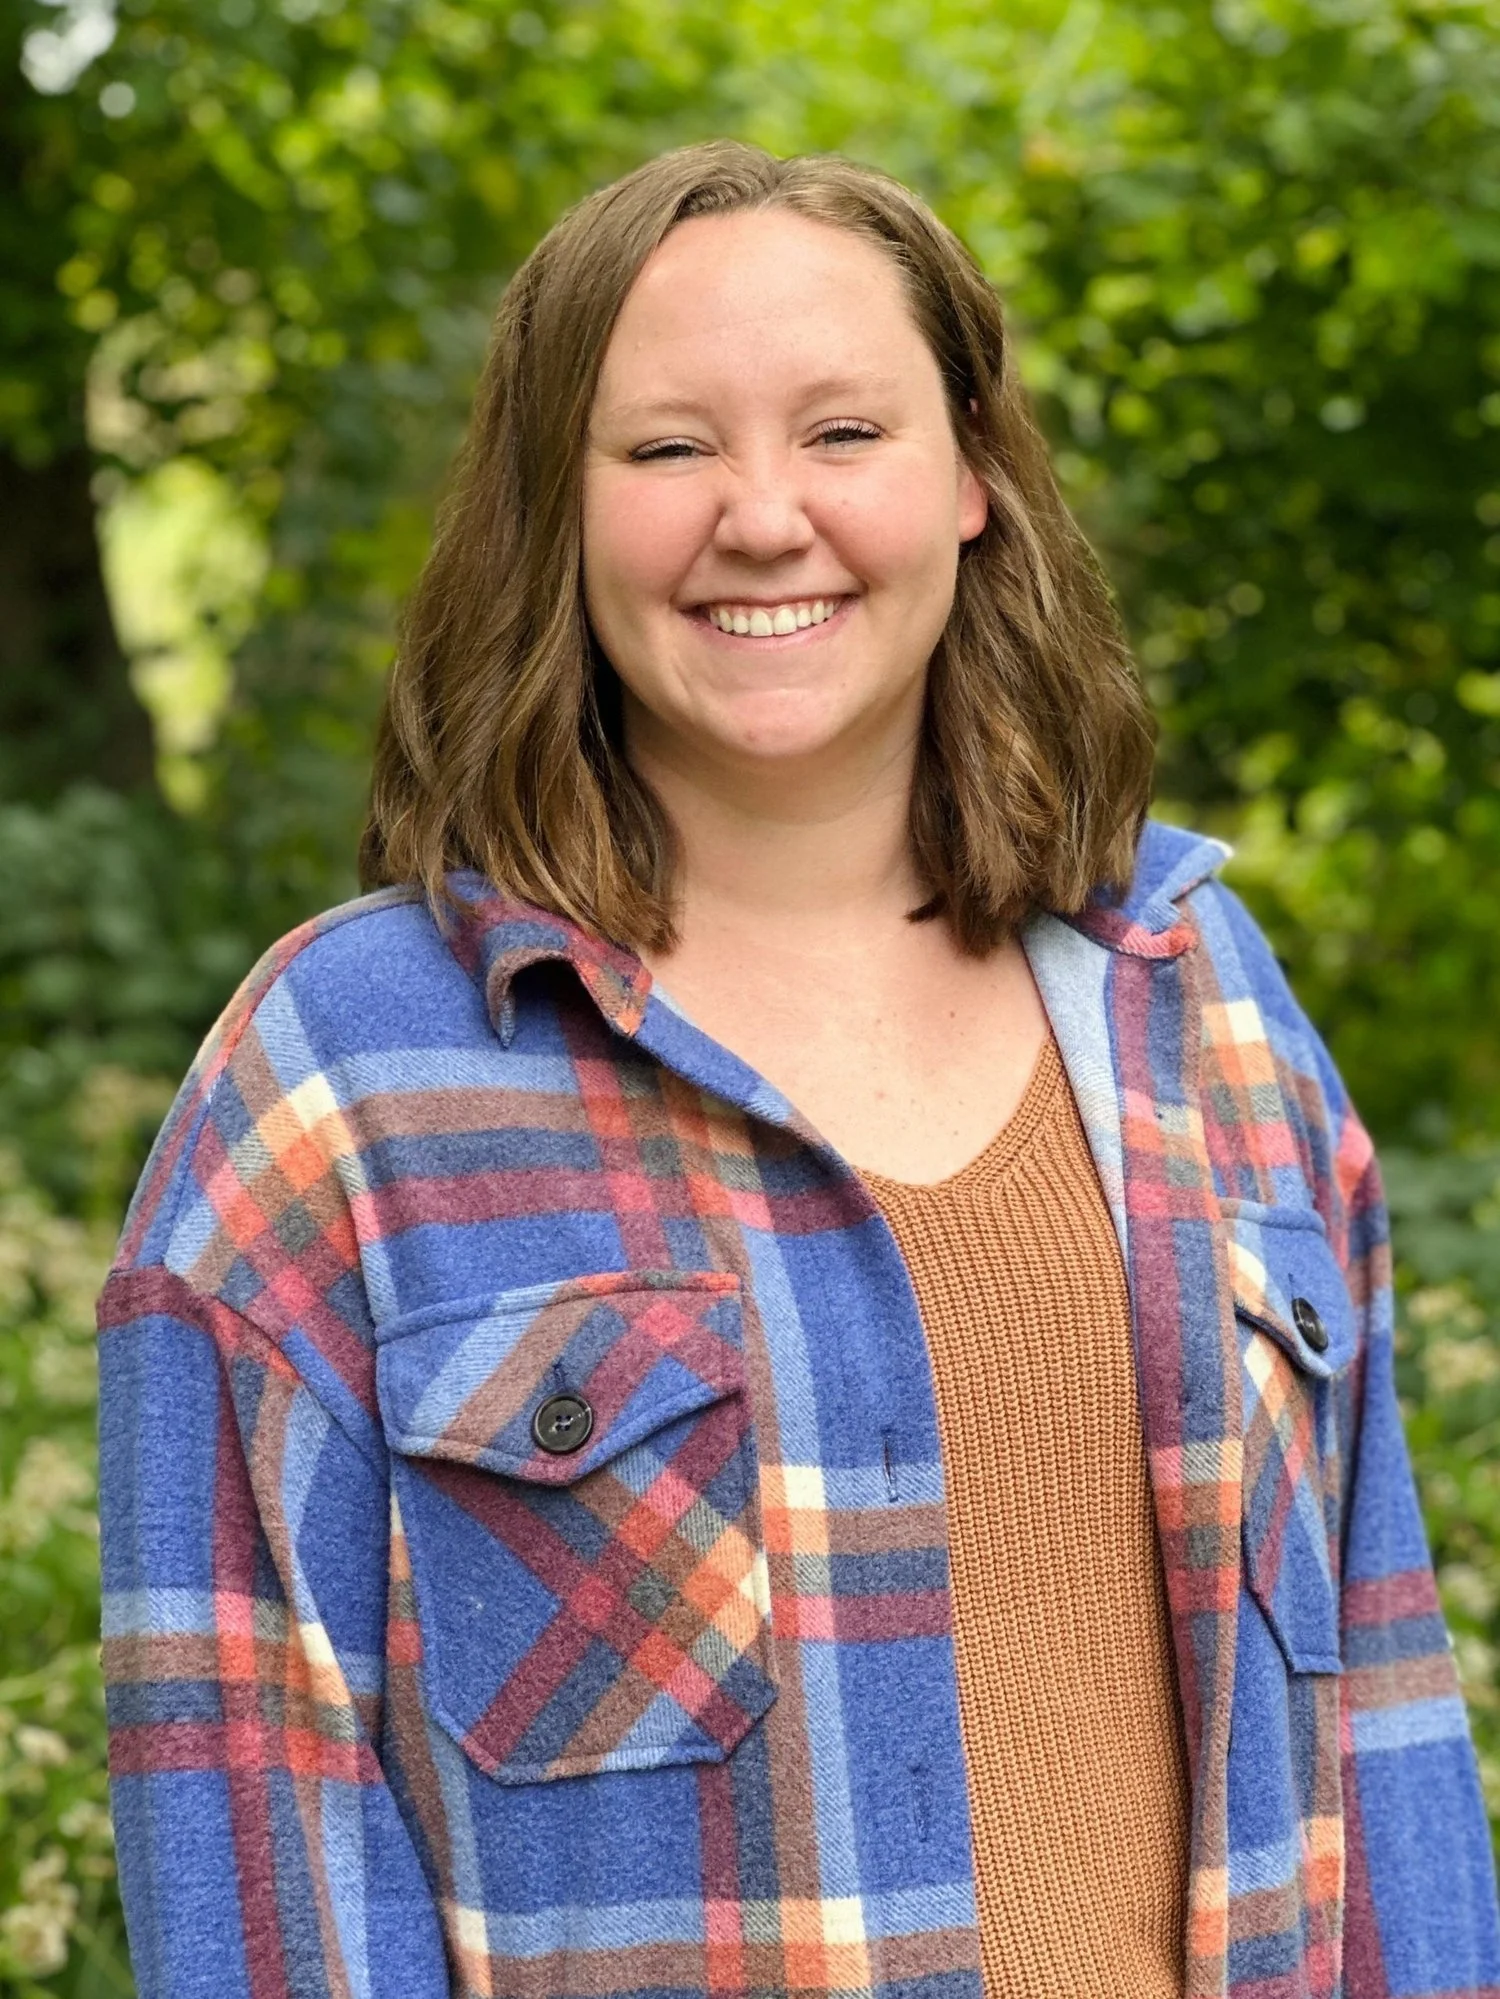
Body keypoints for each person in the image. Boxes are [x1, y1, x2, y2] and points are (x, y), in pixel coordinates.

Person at [97, 141, 1499, 1999]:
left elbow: (1380, 1716)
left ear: (975, 475)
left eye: (845, 432)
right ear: (557, 510)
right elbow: (257, 1855)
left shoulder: (1203, 995)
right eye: (668, 448)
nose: (764, 515)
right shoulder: (344, 1088)